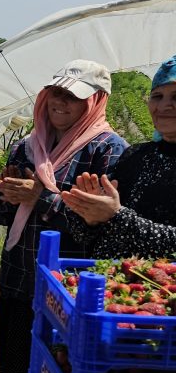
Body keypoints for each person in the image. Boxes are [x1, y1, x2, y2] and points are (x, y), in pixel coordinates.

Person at [0, 60, 126, 373]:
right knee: (15, 348)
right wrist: (8, 194)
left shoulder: (108, 152)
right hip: (20, 269)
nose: (59, 103)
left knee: (56, 355)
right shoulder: (28, 146)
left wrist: (42, 198)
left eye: (72, 97)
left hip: (69, 280)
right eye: (56, 94)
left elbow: (97, 225)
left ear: (96, 101)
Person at [63, 56, 176, 258]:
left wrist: (116, 216)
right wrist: (90, 216)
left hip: (157, 287)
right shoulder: (136, 155)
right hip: (108, 282)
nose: (164, 105)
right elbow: (88, 236)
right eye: (157, 96)